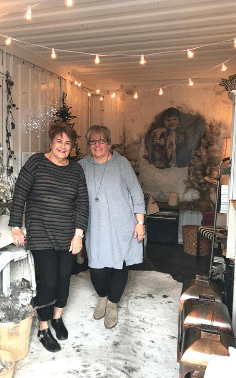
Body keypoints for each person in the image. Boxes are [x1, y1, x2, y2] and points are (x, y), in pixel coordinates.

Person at [9, 122, 89, 353]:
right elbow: (20, 194)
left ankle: (57, 318)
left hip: (67, 234)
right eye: (59, 141)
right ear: (51, 142)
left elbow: (82, 203)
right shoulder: (36, 162)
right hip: (41, 232)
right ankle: (43, 328)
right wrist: (16, 226)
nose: (63, 147)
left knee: (65, 278)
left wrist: (78, 234)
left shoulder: (75, 170)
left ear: (72, 146)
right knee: (49, 281)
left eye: (68, 143)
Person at [79, 125, 146, 328]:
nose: (97, 145)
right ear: (89, 144)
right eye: (93, 141)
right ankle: (102, 296)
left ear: (109, 142)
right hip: (96, 225)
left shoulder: (121, 163)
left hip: (122, 224)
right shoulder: (81, 166)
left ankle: (112, 303)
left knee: (119, 264)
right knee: (97, 266)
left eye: (101, 141)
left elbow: (136, 192)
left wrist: (140, 222)